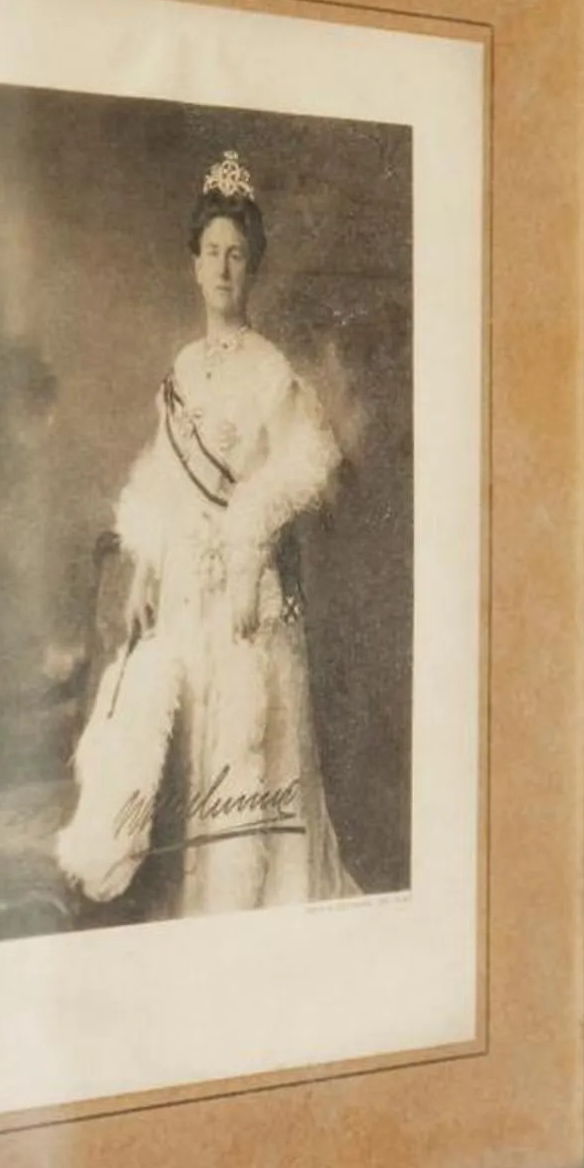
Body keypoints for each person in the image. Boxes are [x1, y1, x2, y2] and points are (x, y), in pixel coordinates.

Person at [55, 147, 354, 918]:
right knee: (185, 747)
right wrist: (147, 571)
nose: (224, 269)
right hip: (186, 591)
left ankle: (255, 913)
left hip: (248, 600)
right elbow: (159, 479)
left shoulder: (271, 369)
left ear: (253, 269)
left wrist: (253, 531)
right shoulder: (181, 369)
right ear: (194, 265)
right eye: (212, 253)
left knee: (250, 752)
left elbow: (311, 462)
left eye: (237, 255)